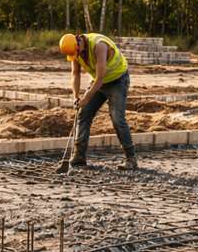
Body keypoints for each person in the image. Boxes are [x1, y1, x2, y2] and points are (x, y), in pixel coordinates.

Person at [56, 32, 137, 171]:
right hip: (99, 83)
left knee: (117, 118)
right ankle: (79, 157)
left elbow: (100, 78)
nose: (77, 57)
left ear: (78, 43)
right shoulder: (76, 51)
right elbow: (75, 74)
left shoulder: (99, 45)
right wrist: (76, 96)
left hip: (117, 81)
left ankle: (131, 159)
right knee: (83, 114)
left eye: (77, 53)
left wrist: (86, 98)